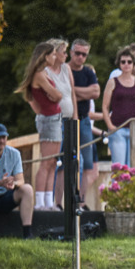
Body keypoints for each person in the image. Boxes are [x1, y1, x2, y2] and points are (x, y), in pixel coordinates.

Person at [15, 42, 63, 211]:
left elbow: (53, 97)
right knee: (46, 162)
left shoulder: (44, 73)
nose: (55, 57)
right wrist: (54, 96)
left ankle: (48, 202)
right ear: (45, 56)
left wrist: (54, 97)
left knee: (52, 162)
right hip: (49, 119)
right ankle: (40, 202)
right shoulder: (39, 75)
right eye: (53, 54)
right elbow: (57, 95)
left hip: (54, 118)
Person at [101, 47, 135, 169]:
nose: (126, 64)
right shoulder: (112, 82)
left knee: (134, 167)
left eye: (129, 62)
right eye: (123, 62)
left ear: (133, 64)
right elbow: (105, 106)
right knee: (119, 167)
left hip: (134, 129)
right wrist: (110, 126)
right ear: (119, 64)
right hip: (118, 128)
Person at [47, 38, 78, 209]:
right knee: (53, 161)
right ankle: (48, 200)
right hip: (54, 120)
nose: (66, 55)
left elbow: (72, 93)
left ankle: (59, 202)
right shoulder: (45, 71)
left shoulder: (66, 69)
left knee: (66, 163)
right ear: (54, 53)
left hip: (68, 120)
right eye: (64, 52)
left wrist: (75, 117)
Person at [70, 39, 100, 204]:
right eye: (78, 53)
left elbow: (95, 93)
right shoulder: (64, 70)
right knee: (65, 162)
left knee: (88, 164)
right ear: (71, 52)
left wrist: (73, 92)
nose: (81, 57)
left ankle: (80, 201)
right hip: (66, 121)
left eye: (84, 54)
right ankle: (60, 201)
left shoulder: (88, 72)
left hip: (84, 120)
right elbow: (61, 93)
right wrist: (84, 93)